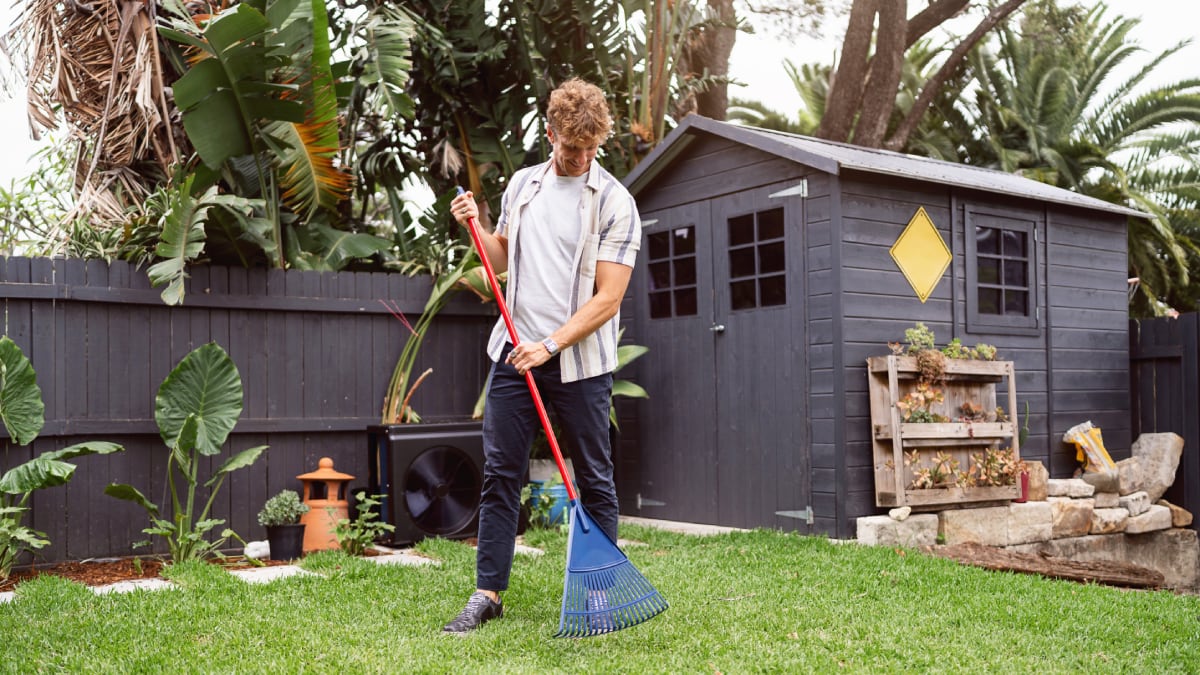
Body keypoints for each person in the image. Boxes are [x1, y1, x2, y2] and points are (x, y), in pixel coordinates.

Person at [443, 78, 641, 634]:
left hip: (577, 361)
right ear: (550, 133)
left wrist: (550, 344)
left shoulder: (616, 203)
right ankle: (488, 594)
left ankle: (599, 592)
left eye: (591, 148)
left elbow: (609, 297)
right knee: (501, 474)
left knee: (594, 478)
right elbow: (501, 258)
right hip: (513, 353)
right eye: (570, 147)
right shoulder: (524, 186)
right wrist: (475, 226)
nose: (581, 158)